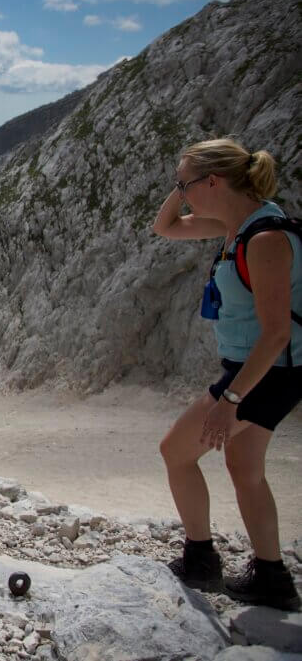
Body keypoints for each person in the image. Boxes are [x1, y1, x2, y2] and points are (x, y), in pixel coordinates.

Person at [153, 138, 301, 611]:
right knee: (244, 467)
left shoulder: (265, 240)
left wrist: (229, 400)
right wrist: (183, 186)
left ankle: (200, 559)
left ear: (213, 182)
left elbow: (276, 333)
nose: (183, 192)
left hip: (266, 371)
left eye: (187, 183)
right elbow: (166, 226)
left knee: (176, 451)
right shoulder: (237, 223)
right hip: (270, 369)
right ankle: (272, 577)